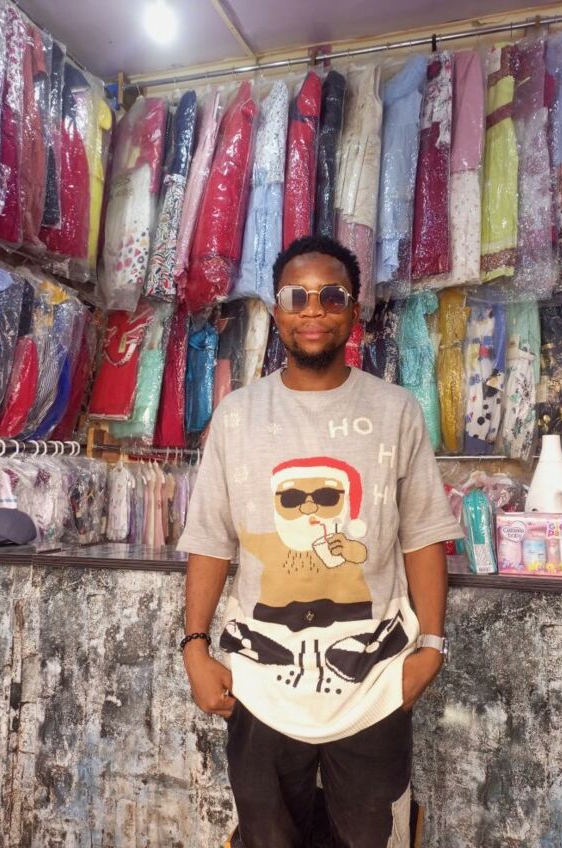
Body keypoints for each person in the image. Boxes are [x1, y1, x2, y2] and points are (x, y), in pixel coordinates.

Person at [178, 236, 463, 848]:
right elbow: (211, 538)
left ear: (355, 309)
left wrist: (431, 648)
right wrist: (195, 648)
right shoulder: (236, 415)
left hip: (375, 683)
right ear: (276, 309)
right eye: (297, 296)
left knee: (371, 838)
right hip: (259, 685)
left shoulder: (396, 410)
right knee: (267, 838)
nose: (314, 310)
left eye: (332, 296)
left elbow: (423, 534)